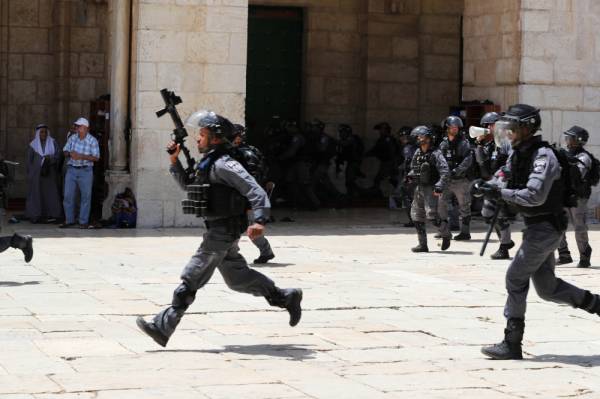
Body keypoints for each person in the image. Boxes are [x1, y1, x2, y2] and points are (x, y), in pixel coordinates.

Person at [136, 110, 302, 347]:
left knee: (192, 276)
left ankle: (163, 325)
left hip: (223, 231)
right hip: (219, 228)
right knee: (238, 279)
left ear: (215, 138)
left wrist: (259, 220)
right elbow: (189, 186)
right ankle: (286, 297)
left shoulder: (225, 165)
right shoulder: (209, 162)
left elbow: (255, 190)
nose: (197, 139)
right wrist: (174, 161)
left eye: (202, 135)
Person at [477, 104, 600, 360]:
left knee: (515, 277)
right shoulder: (518, 153)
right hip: (535, 227)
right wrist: (488, 187)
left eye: (512, 128)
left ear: (527, 128)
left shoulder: (545, 156)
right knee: (547, 289)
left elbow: (534, 195)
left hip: (546, 227)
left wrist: (501, 193)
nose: (508, 133)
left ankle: (512, 342)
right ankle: (596, 304)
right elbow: (503, 175)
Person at [472, 112, 515, 259]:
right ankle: (506, 241)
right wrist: (478, 145)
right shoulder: (492, 144)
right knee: (487, 214)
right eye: (487, 125)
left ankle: (504, 246)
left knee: (500, 214)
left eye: (491, 125)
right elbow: (483, 165)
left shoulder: (507, 141)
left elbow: (512, 160)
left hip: (503, 183)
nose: (489, 128)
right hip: (492, 182)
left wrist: (503, 179)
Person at [232, 124, 275, 264]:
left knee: (246, 227)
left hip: (247, 197)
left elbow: (254, 176)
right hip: (244, 196)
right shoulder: (241, 151)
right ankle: (264, 252)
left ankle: (264, 252)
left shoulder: (245, 153)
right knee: (237, 226)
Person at [556, 126, 596, 268]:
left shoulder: (584, 157)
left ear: (578, 141)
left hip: (578, 198)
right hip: (564, 195)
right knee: (558, 225)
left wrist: (566, 160)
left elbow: (577, 176)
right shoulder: (567, 155)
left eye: (570, 138)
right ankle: (564, 254)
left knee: (579, 227)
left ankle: (585, 255)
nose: (567, 140)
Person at [406, 126, 451, 252]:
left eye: (422, 136)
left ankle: (446, 233)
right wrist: (410, 176)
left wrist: (440, 185)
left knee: (432, 215)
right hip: (419, 187)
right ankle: (422, 244)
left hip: (431, 187)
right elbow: (414, 168)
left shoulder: (436, 153)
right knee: (416, 215)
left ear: (429, 138)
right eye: (418, 137)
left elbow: (445, 171)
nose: (419, 139)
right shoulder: (418, 152)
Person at [437, 116, 473, 241]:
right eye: (452, 127)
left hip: (460, 179)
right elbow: (439, 159)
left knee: (464, 206)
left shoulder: (464, 143)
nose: (455, 129)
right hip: (446, 179)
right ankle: (444, 231)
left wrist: (456, 171)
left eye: (456, 127)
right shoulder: (443, 143)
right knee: (441, 205)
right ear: (447, 128)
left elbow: (468, 160)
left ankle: (465, 232)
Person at [60, 117, 100, 229]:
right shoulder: (73, 138)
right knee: (68, 195)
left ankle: (83, 221)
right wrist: (69, 154)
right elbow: (65, 150)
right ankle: (69, 220)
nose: (77, 128)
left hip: (86, 170)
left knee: (85, 197)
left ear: (86, 128)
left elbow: (96, 158)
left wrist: (81, 156)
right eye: (77, 126)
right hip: (72, 169)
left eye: (79, 126)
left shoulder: (93, 140)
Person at [25, 124, 62, 223]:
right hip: (36, 175)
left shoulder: (53, 142)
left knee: (51, 194)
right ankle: (35, 215)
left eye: (45, 132)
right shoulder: (33, 145)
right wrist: (31, 174)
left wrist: (50, 159)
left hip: (50, 173)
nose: (43, 134)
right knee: (36, 194)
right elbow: (29, 161)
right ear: (37, 133)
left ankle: (53, 215)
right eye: (41, 132)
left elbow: (58, 155)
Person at [365, 122, 399, 196]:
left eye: (381, 129)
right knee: (383, 178)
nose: (380, 131)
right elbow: (376, 149)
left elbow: (391, 152)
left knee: (388, 179)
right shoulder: (383, 139)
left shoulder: (388, 139)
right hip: (386, 162)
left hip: (389, 163)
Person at [335, 124, 364, 198]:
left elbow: (345, 144)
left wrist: (334, 141)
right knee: (349, 181)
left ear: (347, 132)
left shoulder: (352, 138)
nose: (341, 134)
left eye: (342, 132)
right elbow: (341, 154)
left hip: (354, 162)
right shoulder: (344, 140)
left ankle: (356, 194)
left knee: (350, 180)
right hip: (351, 162)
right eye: (340, 132)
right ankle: (352, 194)